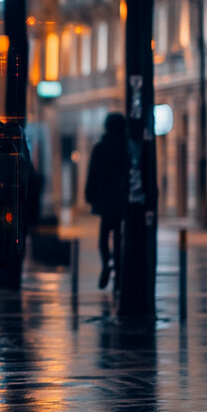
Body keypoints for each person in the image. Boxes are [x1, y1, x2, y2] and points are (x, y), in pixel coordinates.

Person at [85, 113, 128, 290]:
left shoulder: (100, 147)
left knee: (104, 237)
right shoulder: (126, 147)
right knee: (119, 236)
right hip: (120, 199)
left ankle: (106, 264)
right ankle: (118, 271)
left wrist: (89, 195)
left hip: (104, 199)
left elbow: (92, 174)